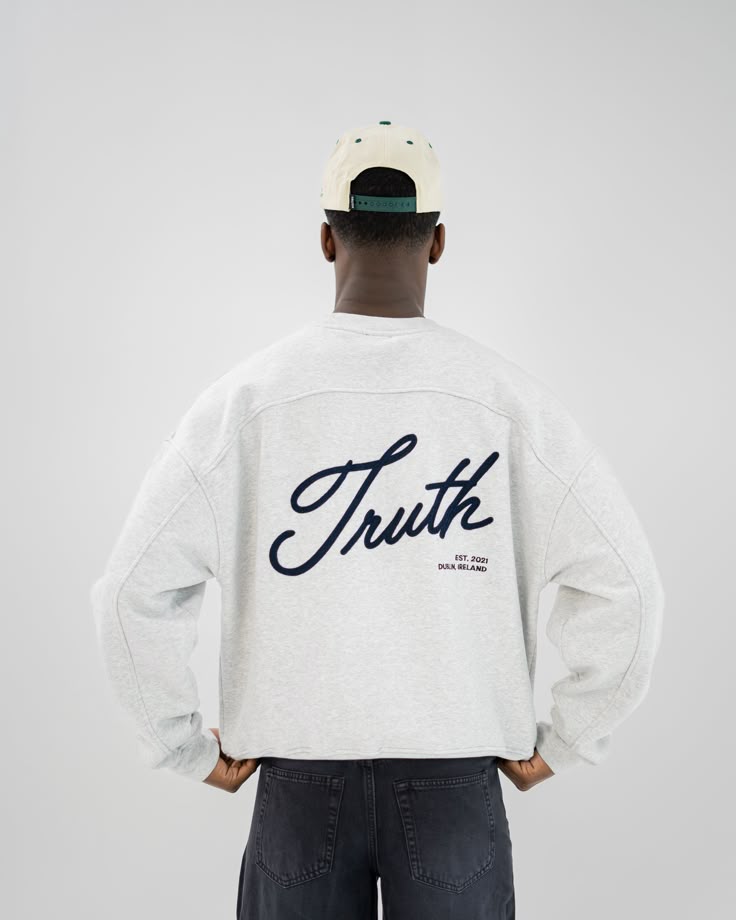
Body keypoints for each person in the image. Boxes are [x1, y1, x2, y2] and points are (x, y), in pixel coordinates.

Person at [90, 120, 665, 920]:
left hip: (299, 788)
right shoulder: (509, 405)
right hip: (454, 785)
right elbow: (627, 585)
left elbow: (131, 590)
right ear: (438, 242)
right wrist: (570, 735)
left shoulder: (246, 403)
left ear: (327, 240)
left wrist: (180, 743)